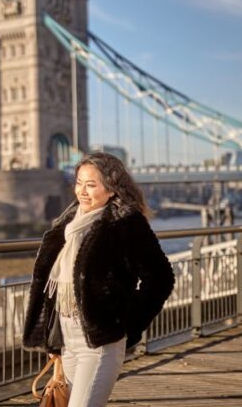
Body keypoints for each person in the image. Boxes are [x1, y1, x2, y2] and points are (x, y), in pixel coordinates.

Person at [23, 152, 175, 406]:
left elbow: (161, 278)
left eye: (91, 185)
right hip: (67, 340)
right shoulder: (67, 223)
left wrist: (126, 324)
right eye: (79, 183)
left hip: (100, 341)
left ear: (112, 190)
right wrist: (52, 336)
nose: (82, 191)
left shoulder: (125, 223)